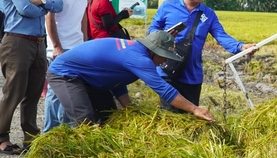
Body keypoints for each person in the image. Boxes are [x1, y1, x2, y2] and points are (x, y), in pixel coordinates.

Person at [47, 31, 215, 124]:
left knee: (109, 117)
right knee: (84, 120)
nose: (165, 60)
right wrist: (195, 109)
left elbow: (116, 78)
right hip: (66, 74)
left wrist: (128, 107)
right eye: (164, 56)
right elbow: (164, 90)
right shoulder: (139, 58)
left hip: (92, 79)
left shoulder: (135, 51)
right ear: (154, 51)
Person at [148, 0, 256, 112]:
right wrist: (163, 36)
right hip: (167, 70)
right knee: (169, 116)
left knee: (190, 117)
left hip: (192, 75)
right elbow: (153, 29)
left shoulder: (208, 14)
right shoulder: (168, 7)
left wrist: (240, 47)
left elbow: (221, 35)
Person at [0, 0, 63, 154]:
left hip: (38, 42)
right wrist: (46, 4)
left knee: (34, 93)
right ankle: (2, 138)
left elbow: (59, 5)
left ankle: (30, 139)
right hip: (16, 41)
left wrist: (41, 1)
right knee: (14, 92)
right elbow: (24, 9)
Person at [43, 0, 94, 133]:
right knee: (57, 93)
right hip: (59, 48)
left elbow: (82, 17)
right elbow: (50, 16)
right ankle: (49, 135)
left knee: (69, 93)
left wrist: (85, 43)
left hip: (77, 47)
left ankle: (61, 134)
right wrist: (56, 46)